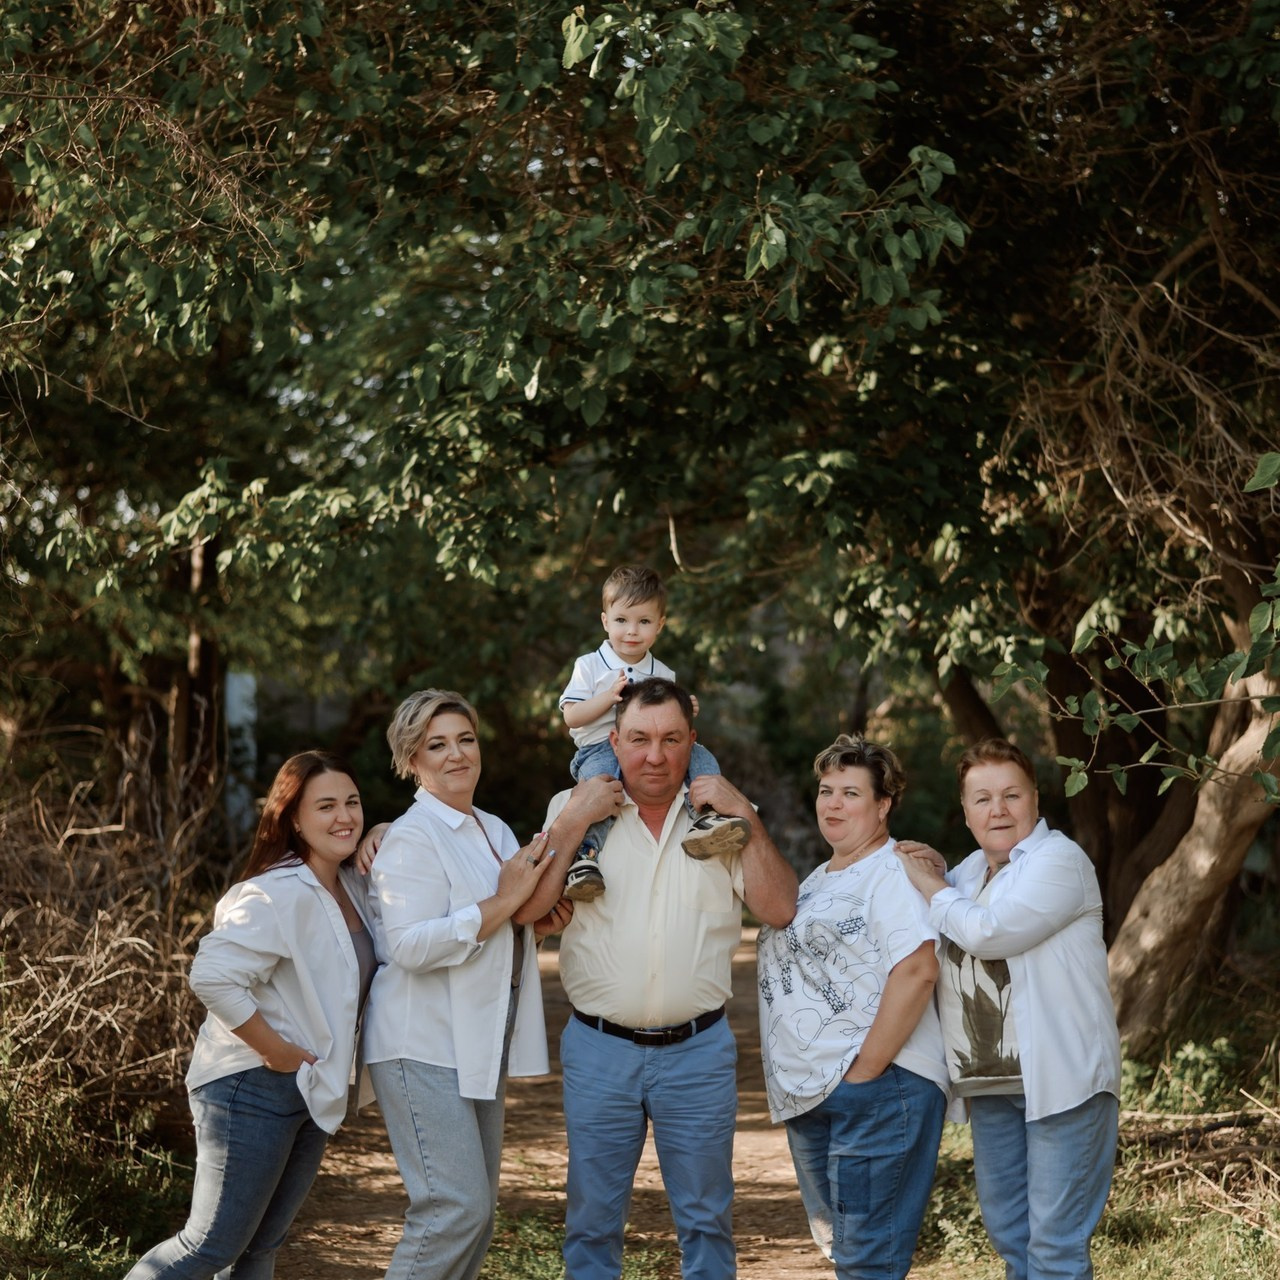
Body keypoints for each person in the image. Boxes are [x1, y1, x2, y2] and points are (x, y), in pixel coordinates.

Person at [520, 677, 799, 1280]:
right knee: (592, 1223)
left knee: (706, 1222)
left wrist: (744, 811)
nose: (655, 755)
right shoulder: (572, 810)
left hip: (698, 1054)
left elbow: (778, 908)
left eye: (671, 739)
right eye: (640, 739)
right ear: (613, 741)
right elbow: (529, 910)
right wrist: (573, 822)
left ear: (691, 742)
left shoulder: (718, 820)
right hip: (599, 1050)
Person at [125, 751, 376, 1279]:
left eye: (352, 802)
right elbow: (211, 976)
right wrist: (275, 1051)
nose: (344, 816)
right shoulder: (273, 892)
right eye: (325, 805)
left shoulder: (352, 883)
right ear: (293, 819)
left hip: (310, 1085)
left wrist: (387, 829)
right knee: (208, 1246)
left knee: (262, 1247)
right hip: (251, 1084)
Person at [896, 737, 1122, 1280]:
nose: (997, 809)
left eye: (1010, 795)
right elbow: (938, 918)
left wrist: (928, 881)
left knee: (1054, 1245)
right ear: (966, 812)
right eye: (982, 799)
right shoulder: (970, 872)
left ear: (1035, 800)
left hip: (1062, 1081)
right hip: (991, 1083)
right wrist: (934, 870)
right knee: (1010, 1235)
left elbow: (989, 932)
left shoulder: (1061, 861)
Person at [362, 688, 556, 1280]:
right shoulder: (412, 837)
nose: (456, 755)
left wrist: (536, 926)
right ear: (411, 761)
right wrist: (503, 902)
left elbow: (500, 926)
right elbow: (410, 945)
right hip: (420, 1042)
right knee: (453, 1209)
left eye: (465, 740)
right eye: (436, 745)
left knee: (478, 1216)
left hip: (478, 1039)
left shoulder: (494, 828)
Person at [756, 735, 949, 1280]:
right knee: (848, 1254)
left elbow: (917, 969)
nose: (833, 804)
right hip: (819, 1095)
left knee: (869, 1260)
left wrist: (863, 1073)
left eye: (850, 793)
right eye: (825, 791)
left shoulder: (895, 872)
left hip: (877, 1088)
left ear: (883, 805)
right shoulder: (821, 878)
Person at [558, 564, 751, 900]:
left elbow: (669, 720)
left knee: (699, 754)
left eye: (644, 622)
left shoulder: (662, 673)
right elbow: (572, 717)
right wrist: (608, 697)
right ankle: (585, 858)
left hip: (647, 746)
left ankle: (705, 818)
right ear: (605, 621)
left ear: (659, 626)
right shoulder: (589, 665)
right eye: (621, 620)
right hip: (598, 748)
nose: (631, 631)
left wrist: (684, 708)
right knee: (600, 791)